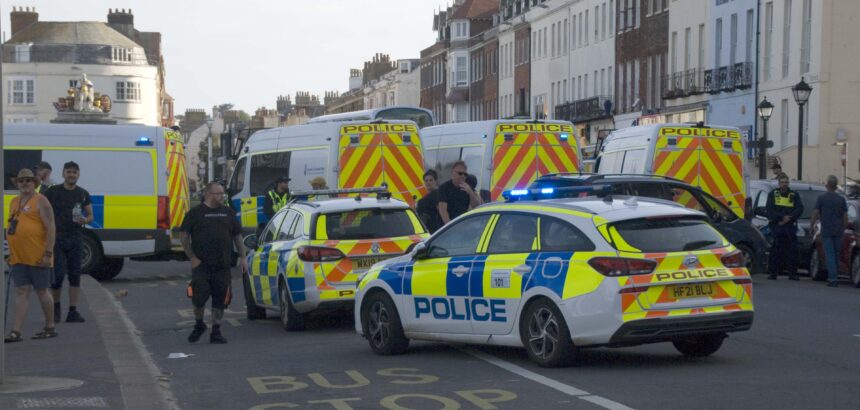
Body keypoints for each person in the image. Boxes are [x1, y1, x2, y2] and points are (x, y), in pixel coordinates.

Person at [180, 181, 247, 344]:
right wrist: (193, 258)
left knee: (221, 298)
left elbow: (237, 237)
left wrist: (243, 257)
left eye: (223, 193)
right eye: (219, 194)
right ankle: (199, 324)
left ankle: (216, 330)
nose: (222, 196)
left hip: (223, 265)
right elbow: (183, 237)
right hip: (201, 265)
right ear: (209, 194)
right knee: (198, 296)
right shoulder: (195, 214)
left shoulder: (229, 213)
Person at [5, 169, 58, 343]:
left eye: (28, 180)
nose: (25, 183)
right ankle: (16, 331)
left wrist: (48, 253)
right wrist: (9, 253)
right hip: (18, 256)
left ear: (34, 183)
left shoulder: (41, 201)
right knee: (21, 291)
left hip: (38, 255)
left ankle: (50, 326)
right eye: (21, 181)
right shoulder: (14, 202)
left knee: (42, 291)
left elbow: (50, 227)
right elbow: (12, 227)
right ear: (17, 184)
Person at [44, 161, 93, 323]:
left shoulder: (83, 193)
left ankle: (73, 311)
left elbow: (91, 215)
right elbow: (43, 211)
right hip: (57, 238)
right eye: (68, 172)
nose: (71, 175)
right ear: (63, 174)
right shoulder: (53, 192)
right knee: (57, 276)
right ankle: (56, 308)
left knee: (75, 275)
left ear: (78, 175)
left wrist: (85, 219)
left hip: (76, 237)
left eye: (74, 172)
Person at [810, 175, 848, 287]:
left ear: (827, 186)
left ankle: (832, 278)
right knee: (836, 254)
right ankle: (835, 274)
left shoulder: (821, 198)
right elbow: (845, 217)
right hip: (838, 230)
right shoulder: (841, 199)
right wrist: (844, 228)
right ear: (836, 186)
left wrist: (812, 225)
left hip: (826, 230)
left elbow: (815, 213)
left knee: (830, 254)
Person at [765, 173, 804, 280]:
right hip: (777, 226)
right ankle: (773, 273)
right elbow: (769, 210)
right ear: (778, 183)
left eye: (786, 182)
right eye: (782, 182)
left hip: (790, 226)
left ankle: (792, 274)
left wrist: (789, 218)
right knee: (775, 250)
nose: (784, 184)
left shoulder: (794, 195)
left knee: (792, 251)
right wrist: (781, 218)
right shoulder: (773, 194)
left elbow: (799, 209)